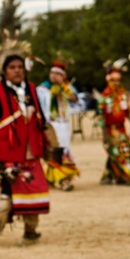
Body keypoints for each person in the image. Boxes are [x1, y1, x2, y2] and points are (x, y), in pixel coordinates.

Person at [0, 33, 51, 246]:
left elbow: (41, 120)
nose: (17, 71)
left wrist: (50, 145)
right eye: (12, 68)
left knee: (34, 192)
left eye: (20, 67)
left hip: (30, 152)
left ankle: (30, 231)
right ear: (4, 71)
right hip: (7, 153)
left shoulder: (31, 90)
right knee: (6, 198)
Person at [99, 57, 130, 185]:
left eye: (118, 81)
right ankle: (124, 174)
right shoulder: (104, 96)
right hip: (111, 129)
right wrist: (104, 133)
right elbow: (100, 116)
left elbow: (128, 112)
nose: (116, 83)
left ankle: (110, 174)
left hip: (121, 128)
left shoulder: (122, 94)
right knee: (116, 150)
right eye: (113, 81)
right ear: (109, 80)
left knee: (123, 149)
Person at [36, 60, 80, 191]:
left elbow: (75, 99)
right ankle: (62, 179)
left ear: (63, 76)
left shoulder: (67, 88)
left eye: (57, 73)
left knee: (64, 149)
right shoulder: (43, 88)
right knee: (54, 150)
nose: (54, 76)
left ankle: (54, 178)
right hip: (50, 123)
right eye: (52, 73)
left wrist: (65, 88)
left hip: (63, 123)